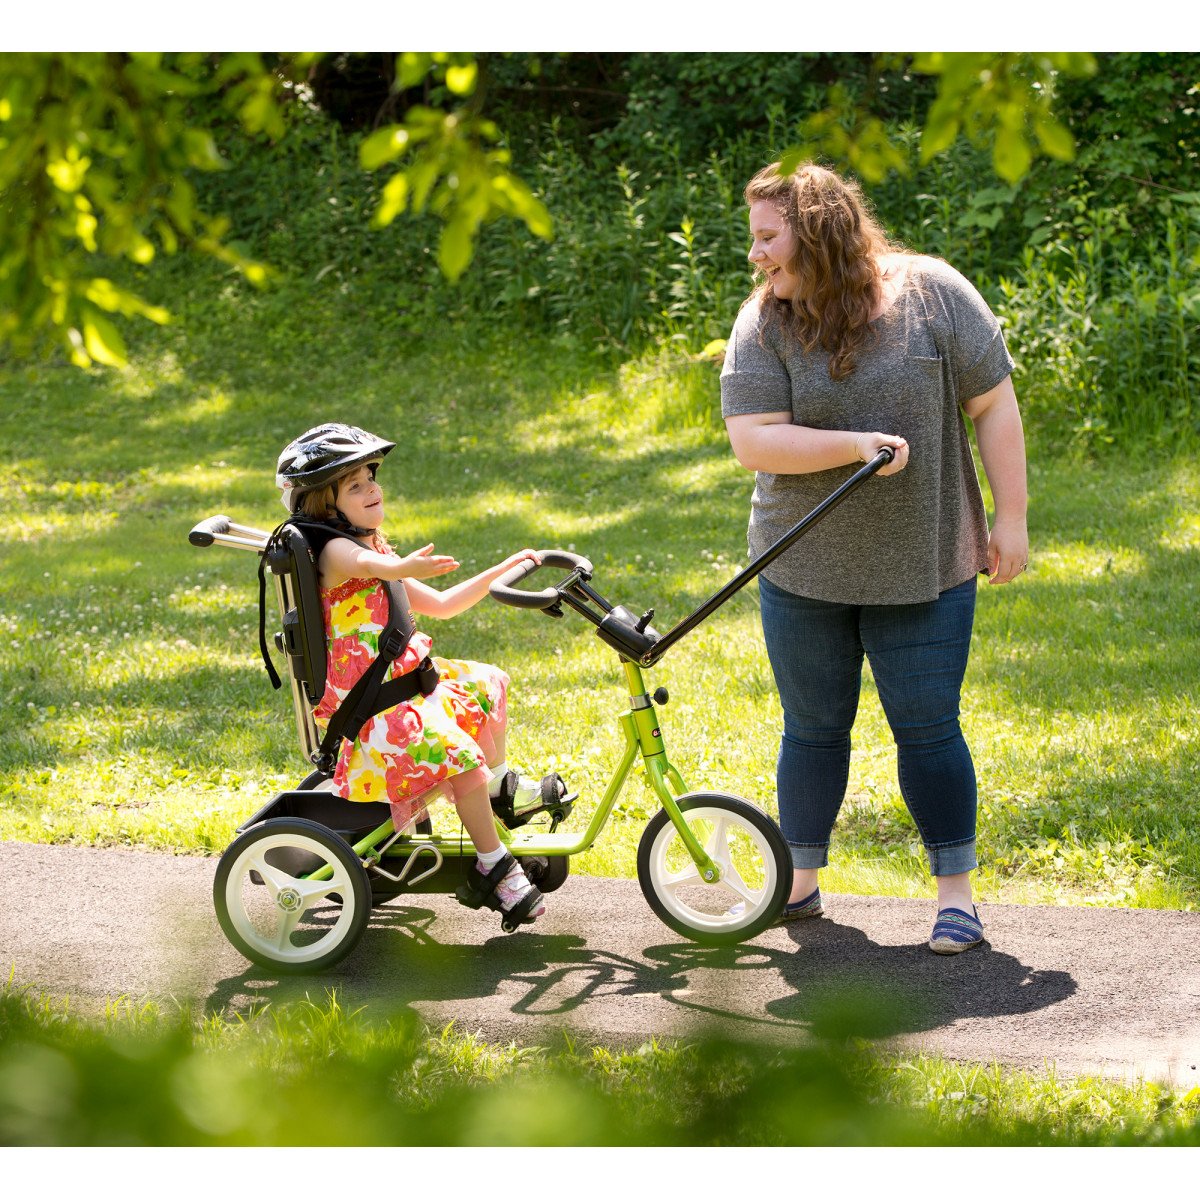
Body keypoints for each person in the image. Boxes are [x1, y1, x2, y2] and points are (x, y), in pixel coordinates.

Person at [720, 162, 1028, 954]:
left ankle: (956, 900)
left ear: (818, 234)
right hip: (801, 568)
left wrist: (1012, 517)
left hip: (926, 566)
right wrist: (854, 446)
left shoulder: (933, 296)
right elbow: (754, 439)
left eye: (768, 237)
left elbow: (993, 403)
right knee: (812, 729)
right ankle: (799, 886)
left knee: (928, 729)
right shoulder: (764, 322)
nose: (755, 254)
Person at [274, 422, 550, 927]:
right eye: (354, 486)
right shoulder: (334, 552)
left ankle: (495, 791)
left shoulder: (373, 552)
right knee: (459, 756)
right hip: (373, 713)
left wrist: (501, 570)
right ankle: (492, 865)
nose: (372, 489)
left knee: (487, 681)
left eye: (371, 479)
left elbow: (442, 605)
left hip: (406, 691)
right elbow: (365, 563)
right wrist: (401, 568)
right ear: (324, 506)